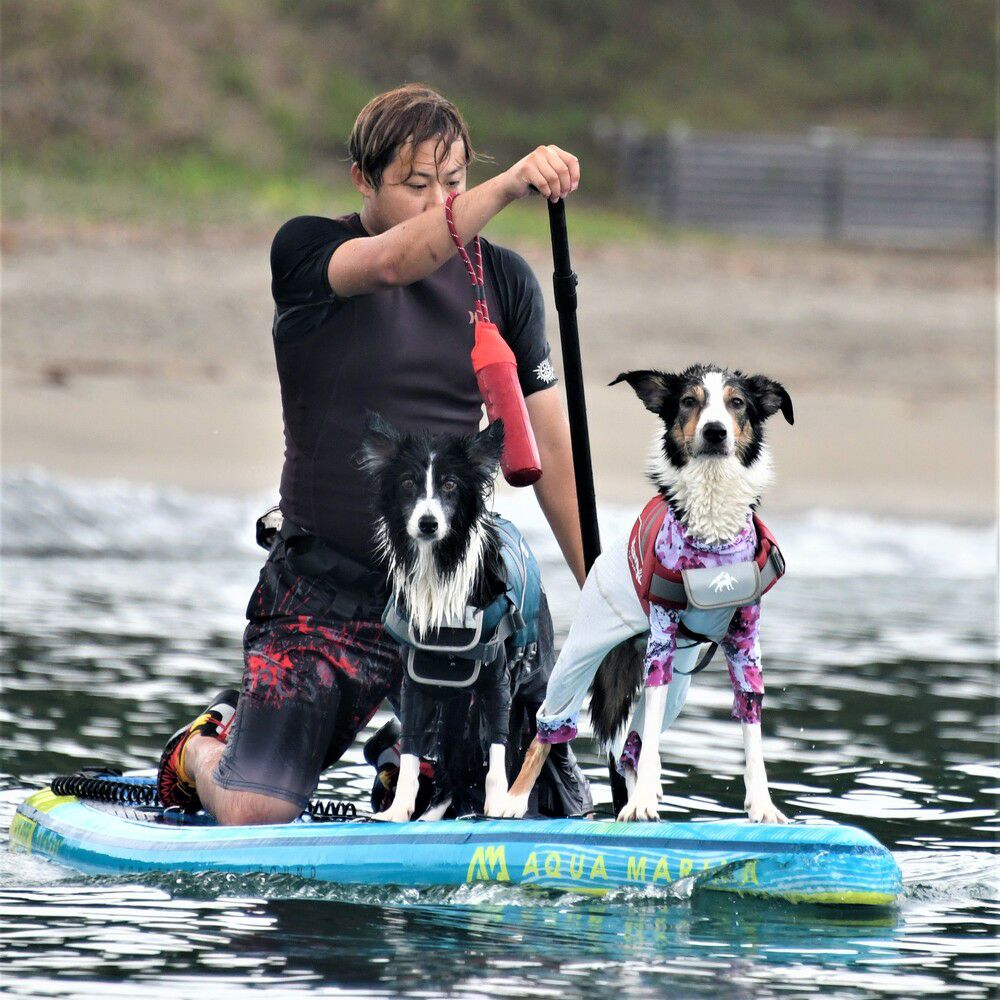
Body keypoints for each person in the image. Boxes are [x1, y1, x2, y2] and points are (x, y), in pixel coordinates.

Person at [157, 84, 590, 825]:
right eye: (416, 184)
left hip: (452, 596)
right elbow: (395, 261)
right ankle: (203, 747)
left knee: (525, 808)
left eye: (454, 181)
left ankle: (405, 756)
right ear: (364, 179)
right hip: (322, 588)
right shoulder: (307, 252)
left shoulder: (506, 283)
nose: (439, 202)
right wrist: (508, 185)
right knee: (256, 814)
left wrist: (607, 598)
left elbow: (551, 447)